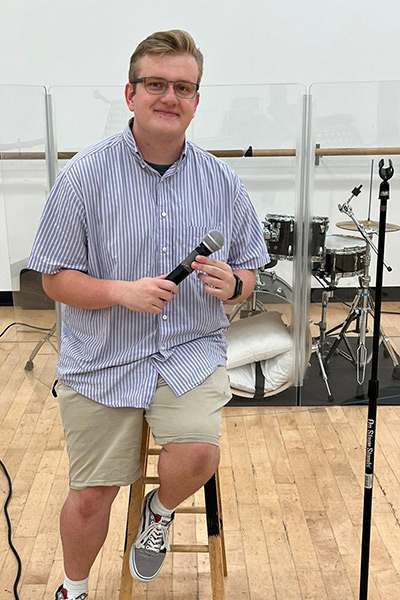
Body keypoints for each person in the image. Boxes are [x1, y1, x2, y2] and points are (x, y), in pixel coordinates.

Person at [28, 29, 269, 600]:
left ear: (197, 100)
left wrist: (232, 282)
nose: (170, 97)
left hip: (188, 349)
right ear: (131, 93)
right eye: (156, 84)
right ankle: (74, 589)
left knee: (198, 454)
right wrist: (119, 293)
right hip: (103, 357)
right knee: (92, 494)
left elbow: (251, 275)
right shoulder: (84, 176)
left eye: (182, 87)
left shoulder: (222, 183)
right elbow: (52, 278)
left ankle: (158, 513)